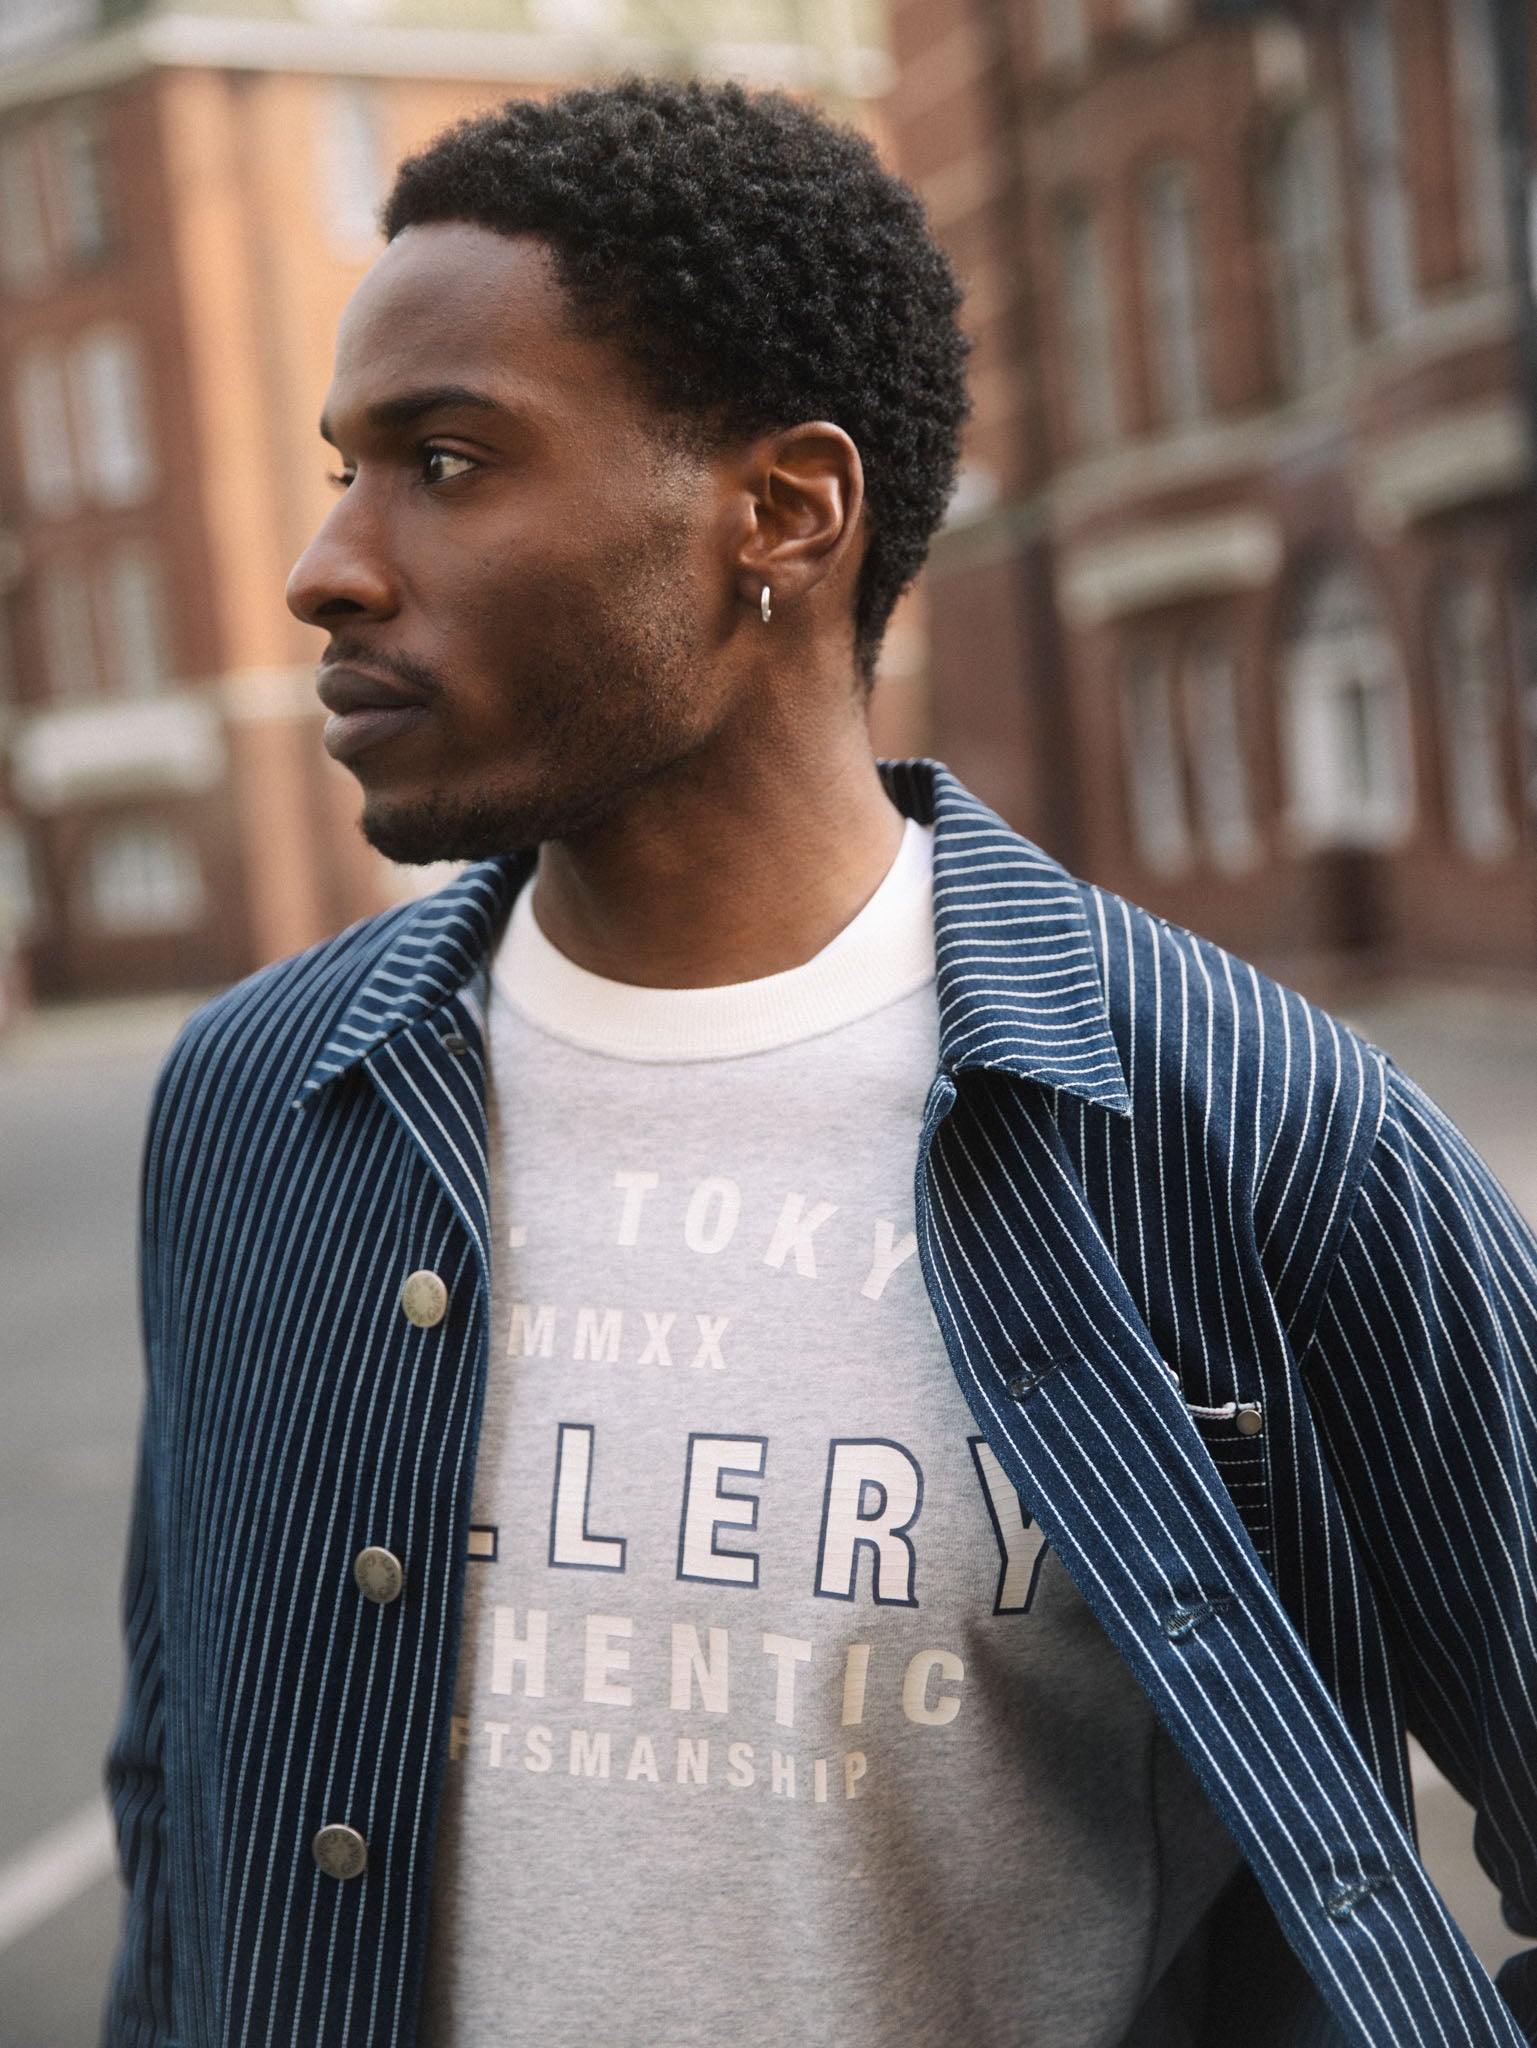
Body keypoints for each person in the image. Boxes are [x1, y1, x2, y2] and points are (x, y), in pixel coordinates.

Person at [104, 77, 1537, 2048]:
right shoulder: (262, 1104)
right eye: (345, 468)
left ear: (782, 513)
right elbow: (185, 1812)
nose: (326, 567)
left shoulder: (1254, 1130)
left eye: (444, 460)